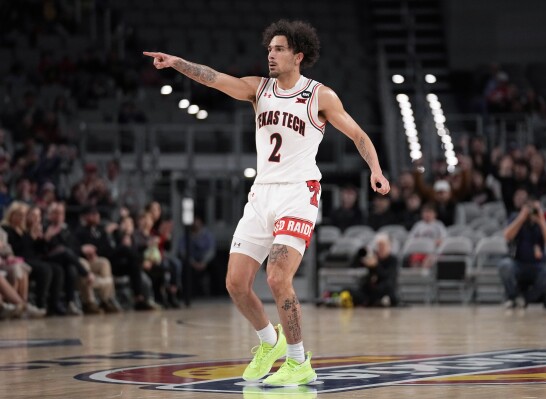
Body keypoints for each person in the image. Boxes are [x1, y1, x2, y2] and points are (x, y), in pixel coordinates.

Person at [144, 19, 390, 386]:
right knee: (236, 284)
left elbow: (358, 134)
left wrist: (376, 169)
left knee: (277, 277)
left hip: (298, 192)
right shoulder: (258, 89)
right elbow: (214, 78)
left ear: (298, 55)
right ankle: (269, 342)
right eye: (269, 49)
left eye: (278, 50)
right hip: (261, 193)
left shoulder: (319, 96)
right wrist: (178, 62)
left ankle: (298, 360)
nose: (270, 55)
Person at [498, 191, 546, 309]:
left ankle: (525, 298)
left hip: (538, 266)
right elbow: (507, 236)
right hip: (518, 264)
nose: (532, 212)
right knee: (504, 265)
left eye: (535, 208)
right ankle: (513, 296)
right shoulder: (516, 217)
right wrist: (521, 218)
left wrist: (541, 220)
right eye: (530, 208)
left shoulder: (543, 221)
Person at [352, 233, 399, 307]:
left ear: (389, 246)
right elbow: (354, 264)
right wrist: (363, 253)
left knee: (389, 292)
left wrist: (376, 266)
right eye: (379, 246)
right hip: (371, 289)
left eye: (383, 245)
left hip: (385, 289)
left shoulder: (393, 260)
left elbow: (387, 276)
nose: (381, 248)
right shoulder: (373, 257)